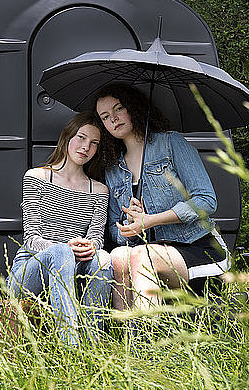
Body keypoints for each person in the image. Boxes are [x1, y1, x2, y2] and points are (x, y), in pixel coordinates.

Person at [94, 83, 229, 312]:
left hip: (199, 248)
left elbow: (206, 200)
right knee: (118, 256)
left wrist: (152, 219)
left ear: (133, 108)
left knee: (141, 258)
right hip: (150, 253)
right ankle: (130, 340)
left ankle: (147, 342)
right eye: (105, 117)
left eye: (119, 109)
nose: (113, 119)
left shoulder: (171, 143)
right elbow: (116, 232)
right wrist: (130, 225)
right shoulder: (113, 169)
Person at [6, 111, 113, 345]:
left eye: (94, 143)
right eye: (81, 137)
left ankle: (92, 346)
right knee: (61, 252)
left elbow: (96, 239)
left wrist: (88, 246)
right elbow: (32, 238)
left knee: (103, 259)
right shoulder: (37, 177)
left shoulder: (99, 190)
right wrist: (67, 247)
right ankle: (70, 347)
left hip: (75, 266)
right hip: (28, 271)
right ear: (67, 137)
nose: (86, 147)